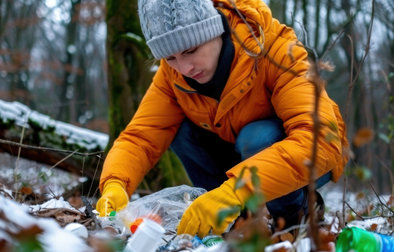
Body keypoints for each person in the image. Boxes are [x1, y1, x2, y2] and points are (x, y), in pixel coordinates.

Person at [96, 0, 348, 238]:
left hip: (301, 160)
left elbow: (321, 141)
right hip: (235, 159)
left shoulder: (275, 49)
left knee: (258, 137)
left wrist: (236, 191)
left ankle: (296, 217)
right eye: (170, 58)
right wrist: (115, 183)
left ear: (213, 30)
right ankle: (229, 221)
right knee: (180, 130)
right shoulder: (172, 76)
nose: (185, 69)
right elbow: (142, 135)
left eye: (191, 50)